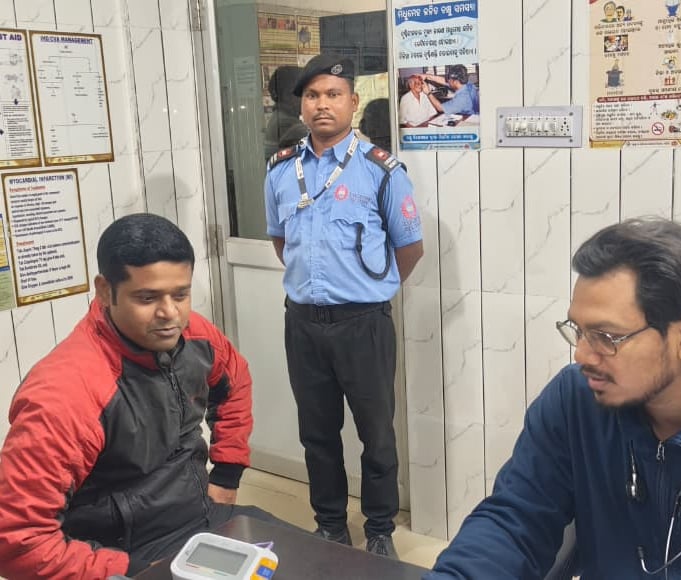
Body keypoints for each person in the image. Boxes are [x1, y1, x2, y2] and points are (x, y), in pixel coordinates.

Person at [424, 217, 681, 578]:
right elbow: (514, 521)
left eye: (606, 337)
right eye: (579, 331)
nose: (581, 355)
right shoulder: (575, 401)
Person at [0, 213, 287, 579]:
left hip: (199, 517)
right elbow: (18, 541)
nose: (170, 314)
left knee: (322, 563)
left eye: (180, 294)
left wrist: (227, 476)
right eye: (147, 297)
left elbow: (235, 380)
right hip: (122, 553)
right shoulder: (65, 394)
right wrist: (133, 570)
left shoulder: (195, 336)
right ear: (105, 291)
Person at [264, 53, 424, 559]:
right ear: (301, 105)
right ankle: (331, 525)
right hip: (303, 324)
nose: (322, 104)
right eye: (312, 95)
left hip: (364, 325)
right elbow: (280, 240)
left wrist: (368, 291)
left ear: (353, 102)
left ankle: (379, 529)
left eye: (333, 94)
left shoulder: (380, 170)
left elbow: (409, 248)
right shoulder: (281, 170)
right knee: (317, 433)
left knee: (376, 434)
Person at [265, 65, 308, 159]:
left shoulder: (279, 117)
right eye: (304, 93)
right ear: (287, 95)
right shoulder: (289, 125)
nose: (307, 99)